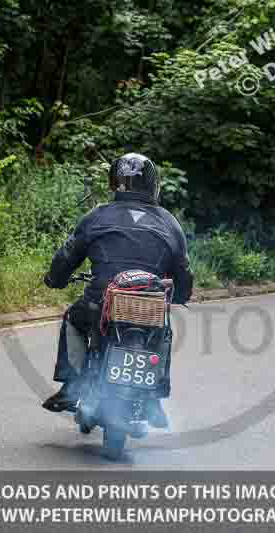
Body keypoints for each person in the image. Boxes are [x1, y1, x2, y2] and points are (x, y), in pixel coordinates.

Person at [41, 153, 193, 428]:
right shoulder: (169, 222)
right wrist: (181, 294)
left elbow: (67, 254)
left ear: (114, 182)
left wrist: (55, 279)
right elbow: (183, 270)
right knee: (164, 333)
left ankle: (71, 385)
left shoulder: (97, 215)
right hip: (149, 305)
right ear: (153, 185)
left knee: (73, 320)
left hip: (100, 299)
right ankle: (155, 397)